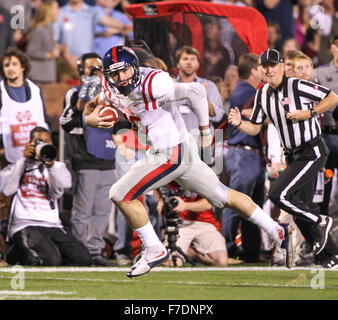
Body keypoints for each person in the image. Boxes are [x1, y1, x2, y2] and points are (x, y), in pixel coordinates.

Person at [83, 45, 290, 277]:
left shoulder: (154, 82)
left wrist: (204, 131)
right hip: (176, 152)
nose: (121, 78)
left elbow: (195, 92)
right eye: (115, 74)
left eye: (125, 71)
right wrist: (91, 119)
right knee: (222, 195)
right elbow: (90, 107)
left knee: (120, 193)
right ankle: (276, 230)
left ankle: (153, 249)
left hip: (171, 151)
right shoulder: (111, 88)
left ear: (135, 67)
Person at [228, 48, 338, 269]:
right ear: (259, 69)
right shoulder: (262, 94)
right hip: (294, 156)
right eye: (265, 66)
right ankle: (331, 257)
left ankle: (320, 221)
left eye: (273, 65)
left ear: (281, 67)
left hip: (312, 150)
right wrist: (240, 123)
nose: (269, 70)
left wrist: (309, 113)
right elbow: (255, 127)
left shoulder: (297, 85)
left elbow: (332, 97)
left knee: (278, 194)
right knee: (300, 211)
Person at [1, 126, 92, 266]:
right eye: (39, 142)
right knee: (51, 260)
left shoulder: (57, 167)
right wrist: (22, 161)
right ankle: (16, 252)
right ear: (30, 143)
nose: (43, 145)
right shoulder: (19, 165)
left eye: (47, 142)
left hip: (52, 225)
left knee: (83, 259)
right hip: (25, 224)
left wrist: (51, 166)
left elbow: (59, 189)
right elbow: (7, 189)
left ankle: (25, 251)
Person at [59, 52, 117, 266]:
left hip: (109, 157)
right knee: (83, 210)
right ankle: (80, 251)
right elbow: (65, 121)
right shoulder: (74, 93)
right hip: (86, 158)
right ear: (80, 69)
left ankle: (95, 250)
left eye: (97, 67)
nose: (94, 71)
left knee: (102, 209)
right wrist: (81, 103)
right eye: (89, 67)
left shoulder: (112, 94)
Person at [221, 53, 265, 262]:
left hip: (252, 154)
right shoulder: (245, 91)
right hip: (243, 153)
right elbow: (260, 115)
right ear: (254, 71)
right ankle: (228, 249)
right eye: (261, 67)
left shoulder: (247, 90)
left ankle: (251, 251)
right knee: (236, 204)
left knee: (253, 207)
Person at [156, 183, 228, 267]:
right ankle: (184, 250)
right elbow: (154, 184)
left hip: (204, 222)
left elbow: (208, 203)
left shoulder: (205, 173)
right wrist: (160, 200)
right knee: (173, 263)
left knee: (221, 261)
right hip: (179, 223)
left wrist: (185, 206)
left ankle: (192, 253)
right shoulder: (169, 173)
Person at [0, 48, 50, 165]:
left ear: (22, 67)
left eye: (14, 64)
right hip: (7, 158)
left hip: (36, 155)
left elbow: (44, 119)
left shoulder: (35, 89)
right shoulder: (1, 91)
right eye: (6, 65)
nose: (10, 68)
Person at [174, 45, 224, 147]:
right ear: (178, 64)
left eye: (193, 59)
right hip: (174, 145)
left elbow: (217, 115)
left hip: (200, 145)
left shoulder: (208, 86)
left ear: (198, 64)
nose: (189, 62)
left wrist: (202, 98)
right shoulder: (171, 86)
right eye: (185, 59)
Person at [312, 34, 338, 217]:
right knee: (324, 185)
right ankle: (322, 227)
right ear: (332, 48)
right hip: (328, 135)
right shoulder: (319, 73)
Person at [25, 0, 61, 83]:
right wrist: (50, 54)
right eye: (56, 8)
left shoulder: (49, 28)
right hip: (39, 77)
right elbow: (31, 51)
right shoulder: (40, 29)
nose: (59, 11)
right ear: (49, 11)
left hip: (48, 75)